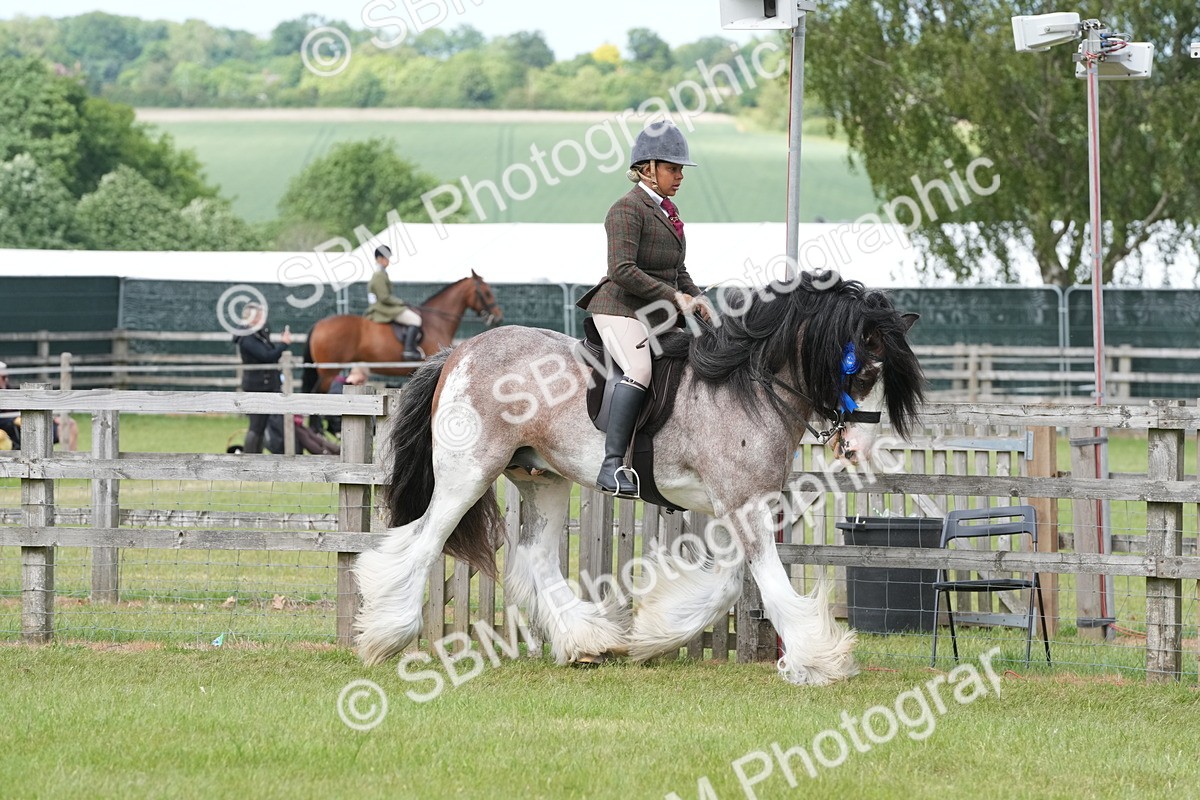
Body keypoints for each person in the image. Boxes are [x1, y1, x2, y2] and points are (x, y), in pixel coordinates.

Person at [575, 120, 712, 498]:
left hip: (654, 312)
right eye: (673, 168)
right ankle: (612, 464)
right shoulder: (625, 210)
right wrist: (674, 297)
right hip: (618, 307)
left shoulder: (669, 212)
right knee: (639, 368)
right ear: (648, 169)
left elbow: (677, 270)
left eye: (681, 169)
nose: (680, 176)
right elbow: (622, 270)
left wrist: (697, 299)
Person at [232, 303, 292, 454]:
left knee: (262, 425)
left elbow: (269, 354)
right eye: (259, 315)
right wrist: (283, 344)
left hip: (266, 385)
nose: (263, 319)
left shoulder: (257, 334)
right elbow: (267, 356)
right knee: (256, 426)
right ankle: (250, 456)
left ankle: (255, 455)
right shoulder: (246, 337)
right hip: (257, 386)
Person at [364, 245, 424, 361]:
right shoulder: (378, 275)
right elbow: (384, 297)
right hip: (382, 308)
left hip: (383, 305)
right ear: (380, 259)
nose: (388, 261)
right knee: (415, 319)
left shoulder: (381, 273)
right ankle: (408, 350)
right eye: (387, 258)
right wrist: (401, 302)